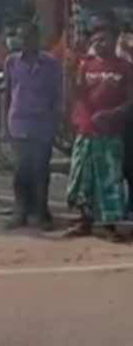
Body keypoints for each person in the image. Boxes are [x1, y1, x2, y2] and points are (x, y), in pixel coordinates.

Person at [65, 23, 133, 241]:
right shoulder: (86, 65)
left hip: (111, 133)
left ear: (115, 40)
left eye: (104, 39)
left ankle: (109, 225)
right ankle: (85, 221)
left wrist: (111, 114)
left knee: (109, 179)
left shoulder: (125, 67)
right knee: (82, 177)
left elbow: (131, 101)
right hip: (86, 130)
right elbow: (77, 94)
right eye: (95, 40)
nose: (98, 43)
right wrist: (70, 71)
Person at [1, 22, 62, 230]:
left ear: (38, 38)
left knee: (41, 171)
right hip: (18, 122)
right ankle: (21, 212)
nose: (26, 42)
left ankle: (41, 213)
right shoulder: (11, 62)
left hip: (42, 125)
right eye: (22, 37)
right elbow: (7, 94)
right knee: (21, 171)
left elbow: (56, 97)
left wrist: (54, 124)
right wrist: (4, 124)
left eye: (30, 37)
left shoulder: (51, 64)